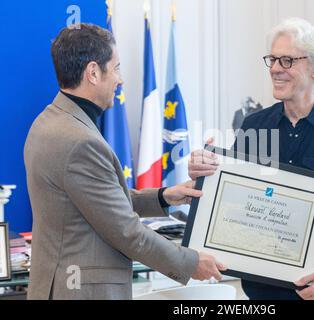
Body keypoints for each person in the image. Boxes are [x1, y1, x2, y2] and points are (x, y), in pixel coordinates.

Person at [189, 18, 314, 300]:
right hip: (262, 293)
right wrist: (203, 173)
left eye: (286, 60)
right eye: (272, 60)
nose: (274, 69)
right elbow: (231, 200)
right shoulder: (254, 126)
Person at [24, 23, 225, 300]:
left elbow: (98, 201)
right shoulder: (80, 141)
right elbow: (126, 231)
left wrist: (164, 196)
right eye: (116, 67)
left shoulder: (49, 121)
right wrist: (191, 262)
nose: (120, 79)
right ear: (93, 72)